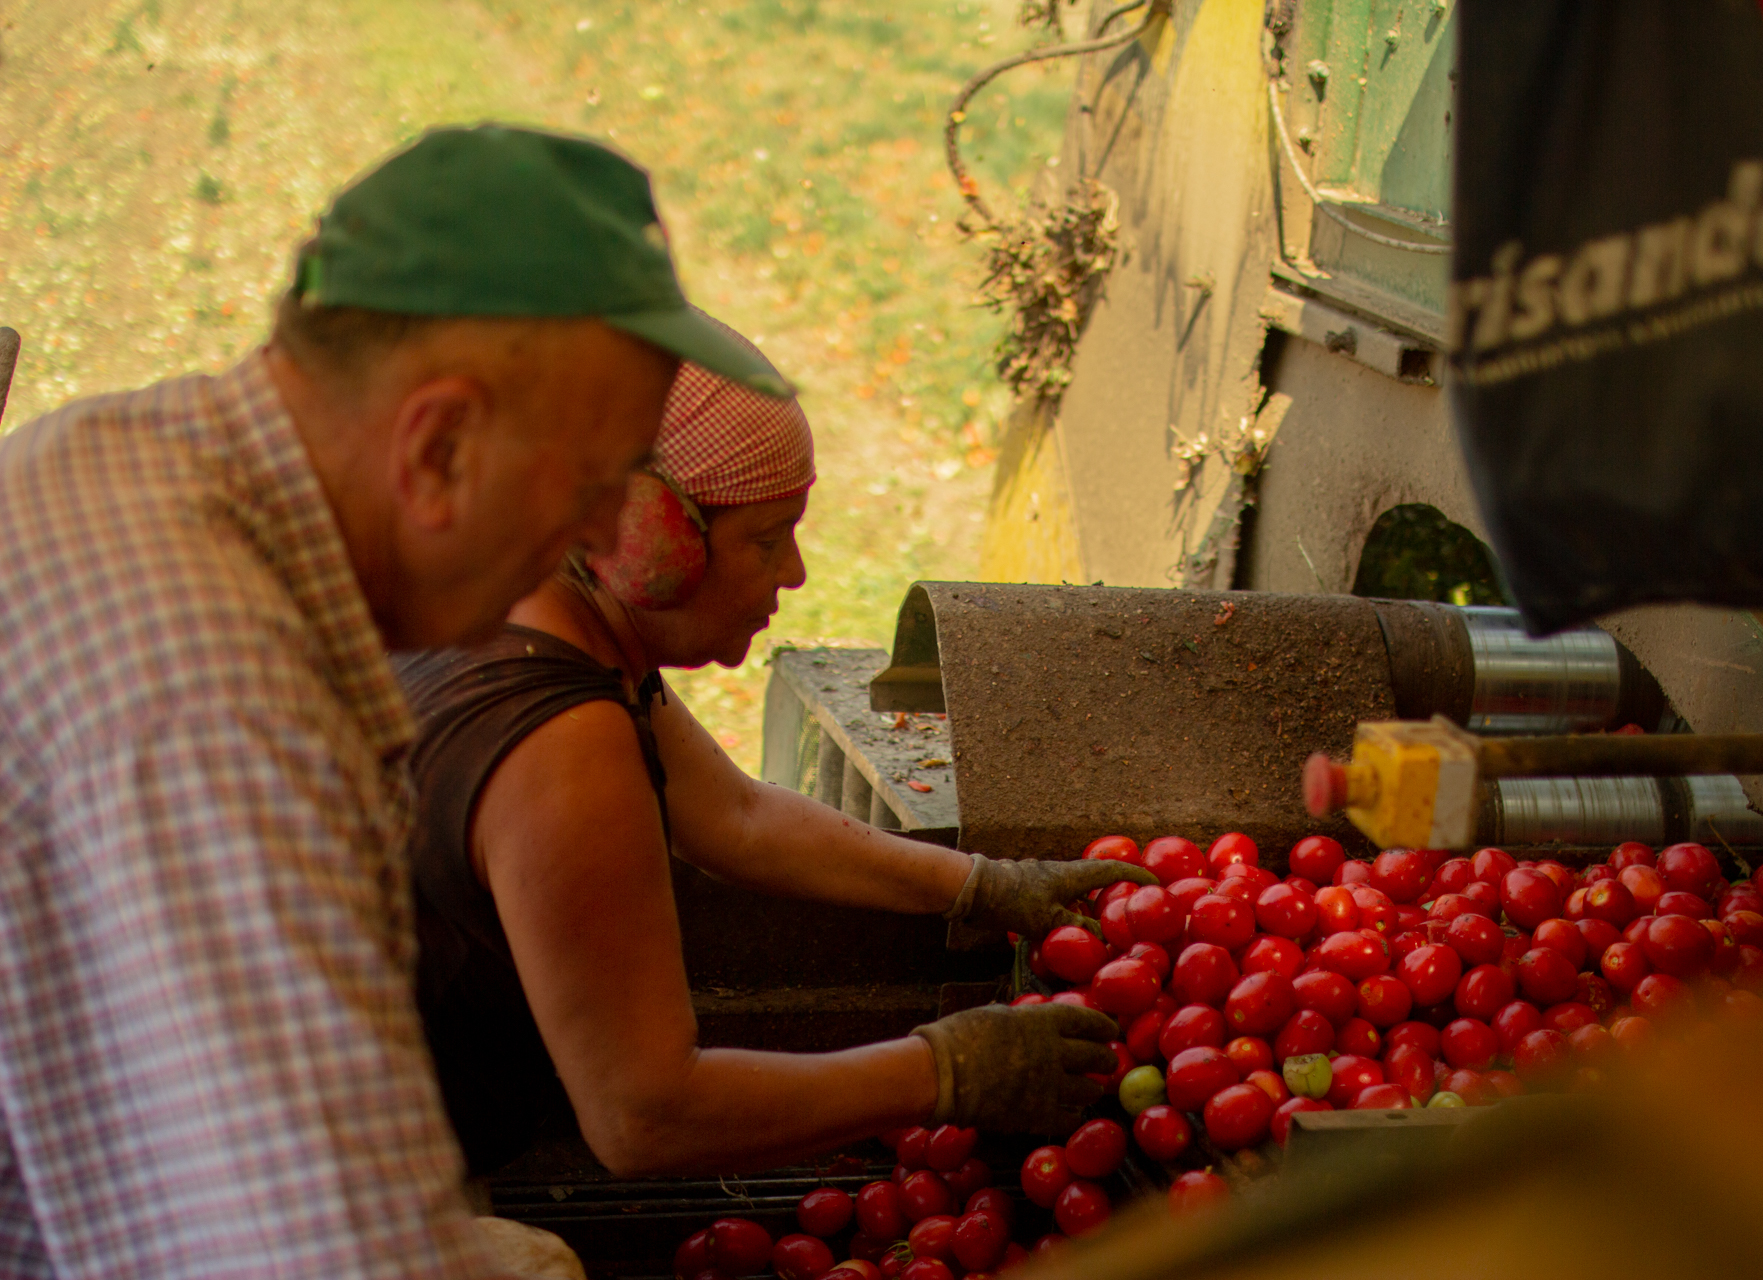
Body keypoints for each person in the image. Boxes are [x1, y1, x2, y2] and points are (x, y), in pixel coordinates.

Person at [0, 124, 792, 1278]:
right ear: (438, 444)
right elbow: (310, 1253)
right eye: (586, 486)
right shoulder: (226, 713)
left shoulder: (109, 446)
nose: (592, 537)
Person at [396, 356, 1153, 1180]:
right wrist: (945, 1070)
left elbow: (737, 818)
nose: (792, 572)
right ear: (647, 538)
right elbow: (644, 1117)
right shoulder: (562, 748)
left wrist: (981, 884)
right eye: (765, 539)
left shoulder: (536, 602)